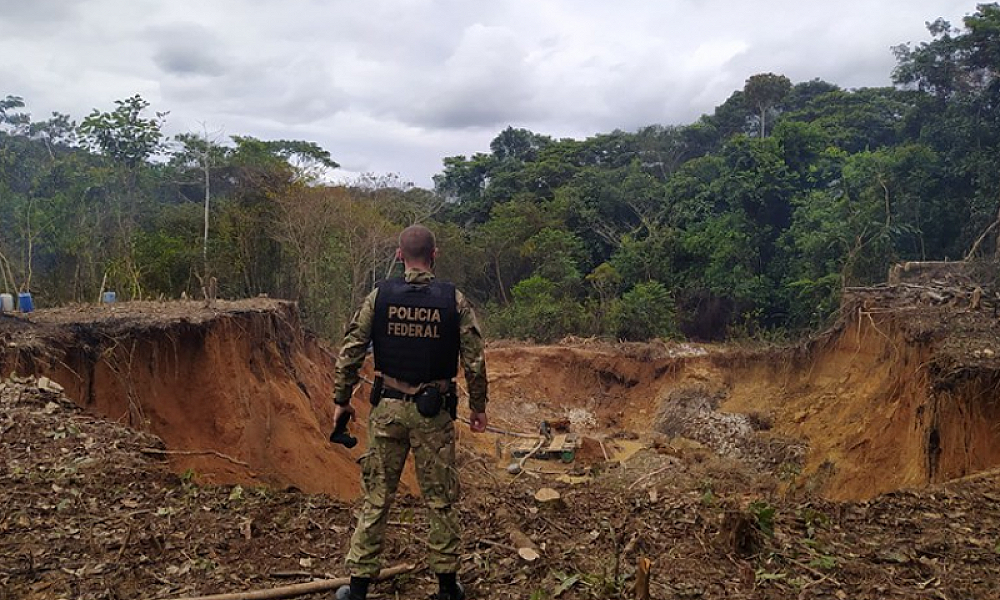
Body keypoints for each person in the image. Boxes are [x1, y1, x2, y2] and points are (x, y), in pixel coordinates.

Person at [332, 224, 488, 600]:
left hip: (387, 410)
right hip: (434, 415)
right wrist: (479, 406)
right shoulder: (454, 300)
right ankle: (448, 587)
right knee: (440, 498)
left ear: (400, 255)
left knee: (377, 497)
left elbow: (351, 349)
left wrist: (341, 399)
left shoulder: (379, 297)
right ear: (434, 255)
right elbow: (475, 361)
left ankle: (357, 588)